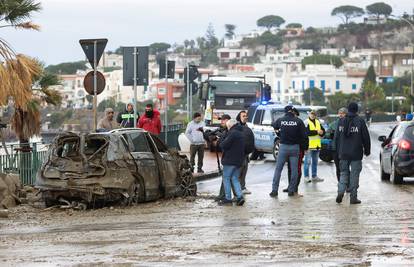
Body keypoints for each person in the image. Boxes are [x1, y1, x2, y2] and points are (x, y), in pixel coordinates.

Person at [335, 102, 371, 204]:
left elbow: (337, 138)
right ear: (357, 110)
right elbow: (366, 138)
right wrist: (367, 151)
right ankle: (353, 198)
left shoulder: (341, 121)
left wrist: (338, 152)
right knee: (354, 175)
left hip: (343, 153)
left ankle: (340, 191)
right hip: (356, 153)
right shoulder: (360, 121)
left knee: (343, 174)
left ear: (348, 109)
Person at [270, 105, 308, 197]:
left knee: (278, 169)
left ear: (285, 111)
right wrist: (305, 148)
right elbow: (304, 136)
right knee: (294, 170)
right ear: (292, 111)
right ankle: (291, 190)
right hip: (295, 147)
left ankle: (274, 191)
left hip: (283, 147)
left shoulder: (281, 120)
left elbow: (274, 125)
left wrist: (279, 133)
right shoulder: (299, 121)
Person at [218, 119, 245, 206]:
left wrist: (220, 140)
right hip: (239, 160)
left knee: (226, 178)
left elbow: (224, 145)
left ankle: (228, 198)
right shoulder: (241, 132)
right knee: (235, 178)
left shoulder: (232, 133)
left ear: (230, 126)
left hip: (230, 160)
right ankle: (240, 197)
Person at [284, 107, 308, 194]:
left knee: (297, 168)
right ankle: (290, 186)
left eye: (293, 114)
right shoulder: (290, 123)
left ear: (296, 115)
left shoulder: (300, 123)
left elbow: (305, 137)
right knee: (290, 168)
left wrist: (305, 148)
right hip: (290, 149)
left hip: (299, 149)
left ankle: (295, 187)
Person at [213, 114, 232, 201]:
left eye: (223, 120)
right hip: (227, 158)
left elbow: (224, 144)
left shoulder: (230, 131)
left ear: (228, 121)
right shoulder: (224, 130)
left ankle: (227, 196)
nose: (222, 122)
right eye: (221, 120)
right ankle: (223, 195)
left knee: (228, 178)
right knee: (229, 178)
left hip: (230, 158)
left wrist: (220, 140)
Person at [236, 110, 255, 194]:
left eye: (246, 116)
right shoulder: (236, 127)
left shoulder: (247, 127)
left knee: (244, 171)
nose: (245, 117)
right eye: (243, 116)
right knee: (238, 173)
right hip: (238, 154)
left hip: (246, 154)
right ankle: (237, 190)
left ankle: (242, 187)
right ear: (239, 118)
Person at [303, 110, 325, 183]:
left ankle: (314, 176)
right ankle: (306, 176)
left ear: (316, 115)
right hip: (309, 145)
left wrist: (322, 132)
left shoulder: (318, 121)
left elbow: (323, 131)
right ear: (309, 114)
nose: (313, 115)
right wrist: (317, 132)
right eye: (312, 114)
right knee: (307, 162)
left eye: (314, 114)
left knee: (315, 162)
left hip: (317, 145)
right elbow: (306, 133)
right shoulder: (306, 122)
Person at [328, 107, 347, 182]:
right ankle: (340, 184)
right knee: (338, 168)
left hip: (345, 150)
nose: (341, 115)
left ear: (346, 114)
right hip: (335, 149)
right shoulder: (334, 124)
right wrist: (330, 134)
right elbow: (327, 134)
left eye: (343, 113)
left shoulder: (349, 124)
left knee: (345, 168)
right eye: (340, 113)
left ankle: (347, 185)